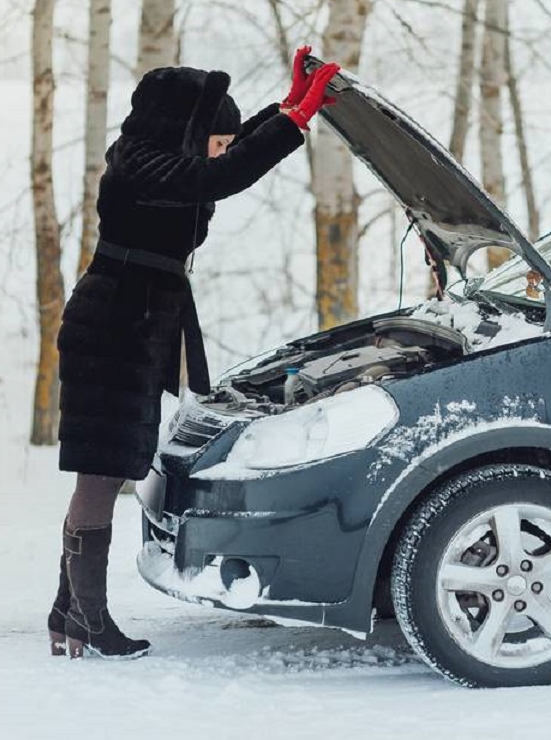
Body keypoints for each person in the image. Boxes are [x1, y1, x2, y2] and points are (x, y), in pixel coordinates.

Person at [47, 47, 340, 660]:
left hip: (138, 321)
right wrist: (293, 124)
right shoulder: (137, 164)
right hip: (112, 328)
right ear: (184, 129)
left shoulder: (160, 158)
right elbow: (217, 178)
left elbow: (221, 162)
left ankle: (69, 611)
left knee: (109, 464)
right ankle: (90, 621)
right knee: (102, 471)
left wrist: (283, 109)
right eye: (214, 138)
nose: (221, 150)